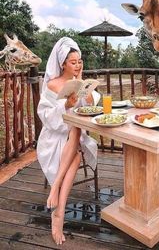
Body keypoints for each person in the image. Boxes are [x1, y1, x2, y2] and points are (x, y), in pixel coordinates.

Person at [37, 37, 100, 245]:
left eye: (79, 61)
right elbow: (44, 115)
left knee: (76, 128)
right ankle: (59, 212)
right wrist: (64, 106)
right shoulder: (52, 84)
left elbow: (90, 106)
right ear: (63, 63)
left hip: (74, 134)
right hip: (54, 136)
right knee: (74, 150)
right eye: (73, 62)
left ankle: (57, 205)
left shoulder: (78, 82)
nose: (77, 65)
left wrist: (84, 88)